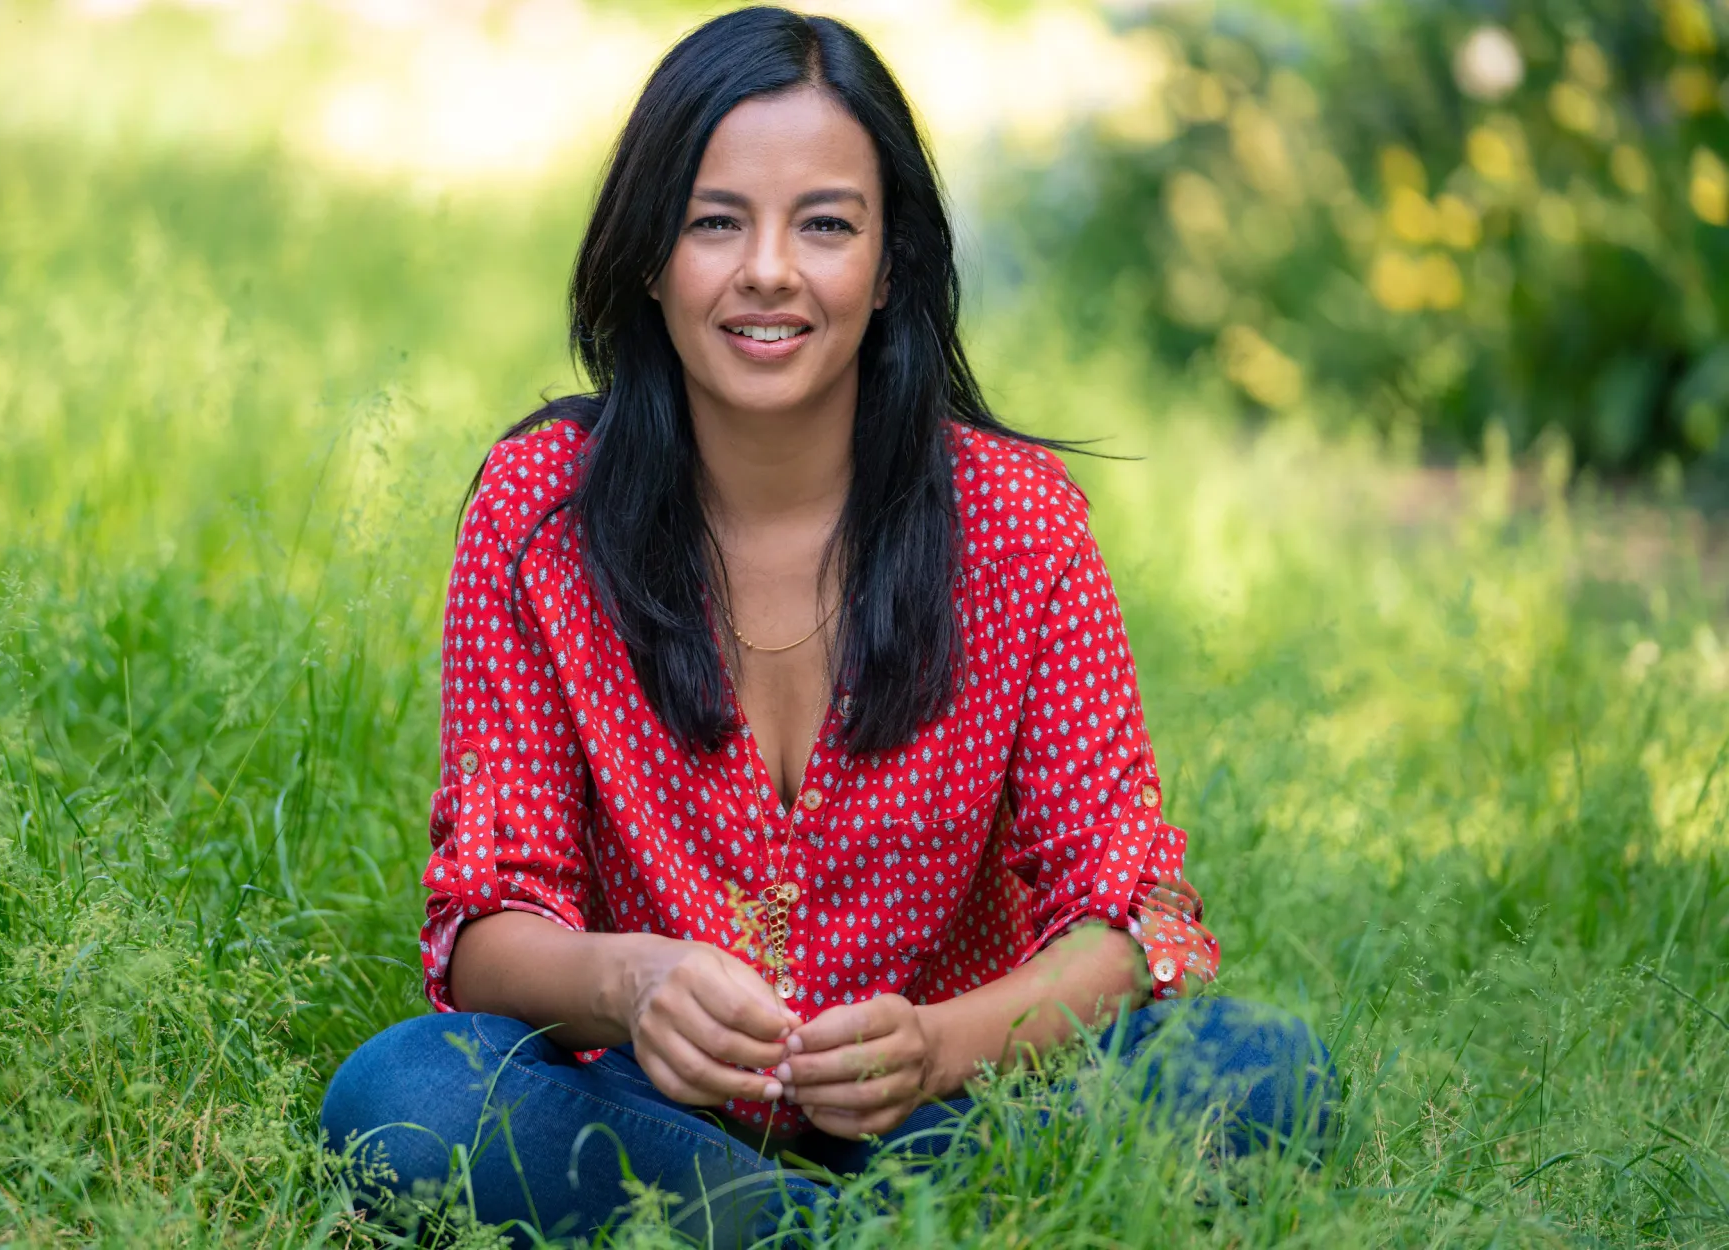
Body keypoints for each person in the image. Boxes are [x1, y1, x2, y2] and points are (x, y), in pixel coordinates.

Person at [321, 6, 1332, 1244]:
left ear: (888, 260)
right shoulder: (541, 514)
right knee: (403, 1099)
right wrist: (630, 983)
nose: (767, 271)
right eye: (713, 221)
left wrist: (938, 1046)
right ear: (649, 255)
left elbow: (1126, 919)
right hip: (654, 1107)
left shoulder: (1018, 525)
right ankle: (839, 1228)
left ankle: (803, 1223)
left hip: (951, 1103)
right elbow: (484, 927)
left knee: (1265, 1067)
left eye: (824, 224)